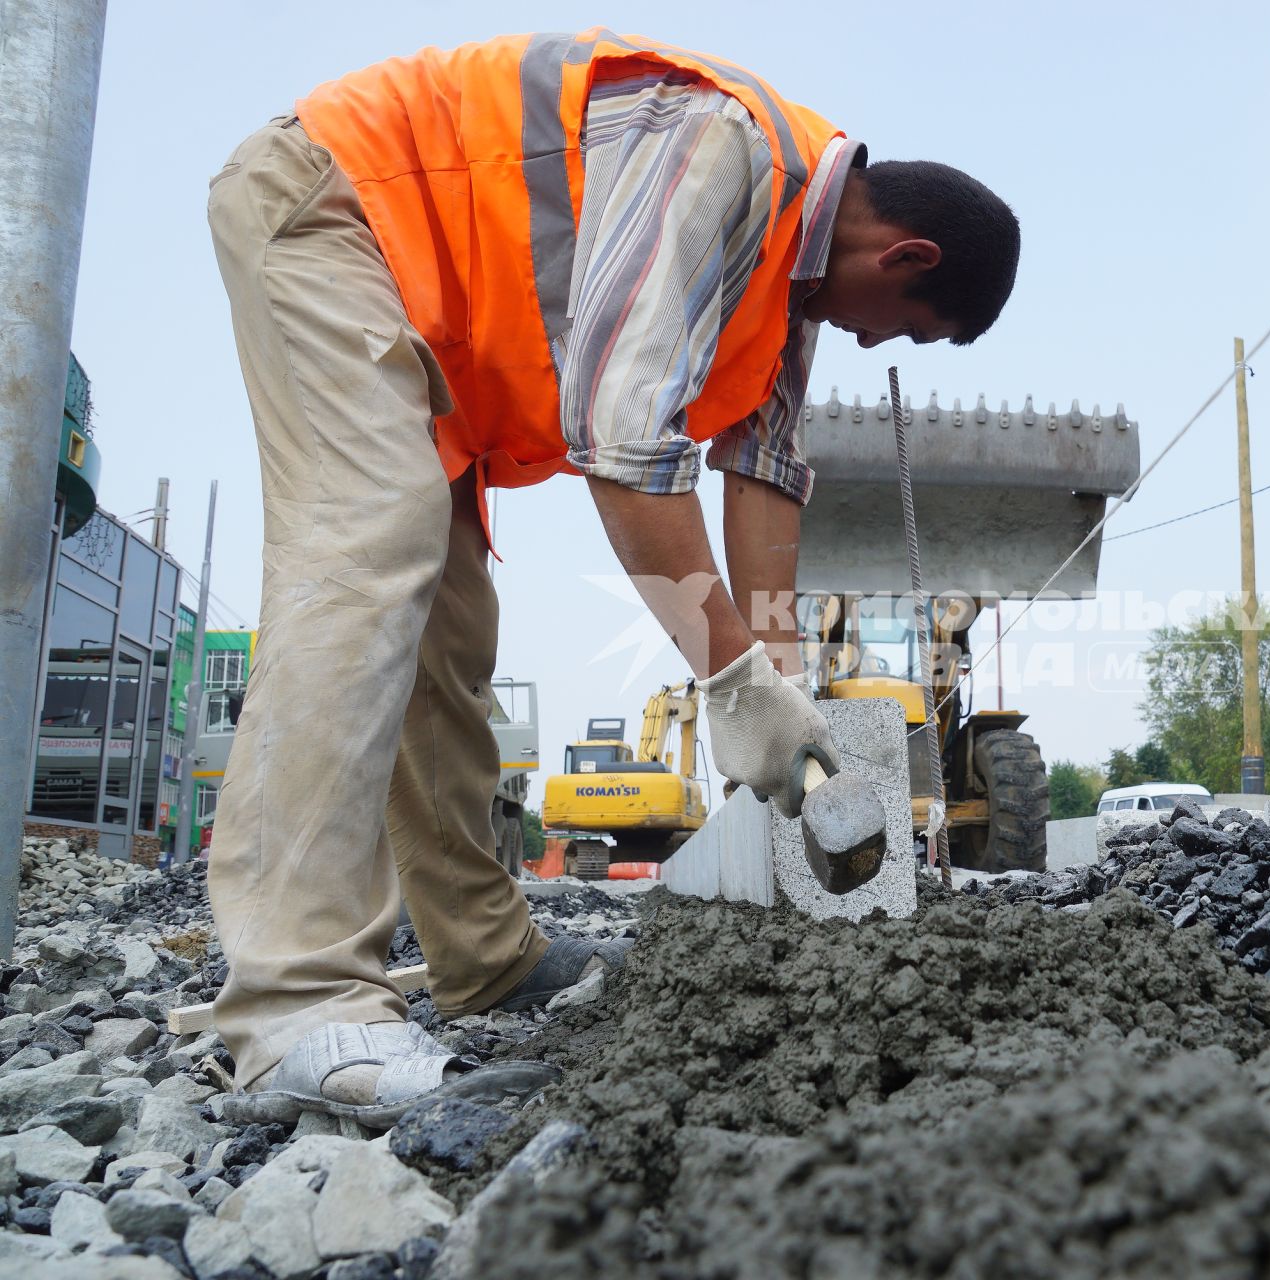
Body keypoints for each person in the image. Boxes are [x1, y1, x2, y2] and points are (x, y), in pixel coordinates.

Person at [204, 28, 1019, 1126]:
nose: (885, 347)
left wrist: (782, 689)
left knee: (447, 632)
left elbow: (765, 472)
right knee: (366, 555)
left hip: (424, 307)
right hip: (338, 207)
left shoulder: (785, 285)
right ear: (905, 257)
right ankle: (290, 1004)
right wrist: (728, 681)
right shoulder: (724, 149)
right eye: (909, 334)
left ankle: (484, 957)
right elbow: (623, 430)